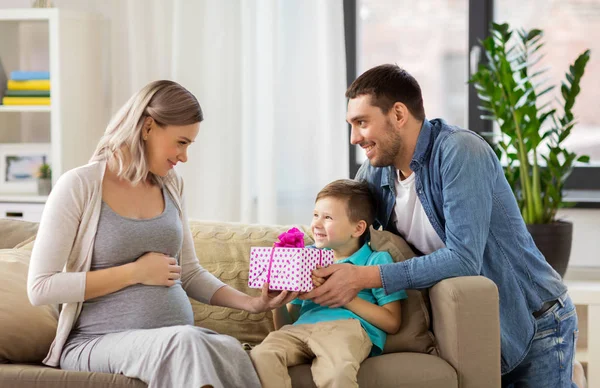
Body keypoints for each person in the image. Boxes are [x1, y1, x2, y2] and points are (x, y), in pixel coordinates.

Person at [302, 64, 582, 388]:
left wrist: (362, 277)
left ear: (398, 114)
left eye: (362, 123)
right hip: (480, 325)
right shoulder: (377, 173)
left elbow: (464, 258)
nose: (354, 138)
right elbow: (345, 227)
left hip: (536, 319)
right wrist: (301, 262)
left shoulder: (460, 151)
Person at [26, 80, 295, 388]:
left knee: (226, 347)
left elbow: (189, 273)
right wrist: (135, 272)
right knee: (185, 343)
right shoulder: (79, 186)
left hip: (176, 340)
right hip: (96, 341)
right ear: (148, 127)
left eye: (189, 145)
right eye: (181, 142)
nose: (184, 157)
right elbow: (41, 287)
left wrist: (252, 304)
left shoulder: (171, 185)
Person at [250, 179, 407, 388]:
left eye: (328, 217)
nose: (316, 224)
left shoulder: (375, 261)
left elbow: (392, 323)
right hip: (300, 329)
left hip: (344, 329)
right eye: (315, 215)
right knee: (260, 355)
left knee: (337, 372)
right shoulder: (307, 256)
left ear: (358, 228)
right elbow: (288, 324)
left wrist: (344, 295)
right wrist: (277, 302)